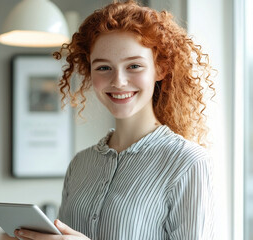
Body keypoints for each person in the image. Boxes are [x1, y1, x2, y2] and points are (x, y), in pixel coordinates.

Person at [14, 0, 215, 239]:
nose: (118, 81)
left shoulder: (188, 163)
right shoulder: (80, 165)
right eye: (103, 68)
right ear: (89, 72)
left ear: (160, 69)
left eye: (134, 66)